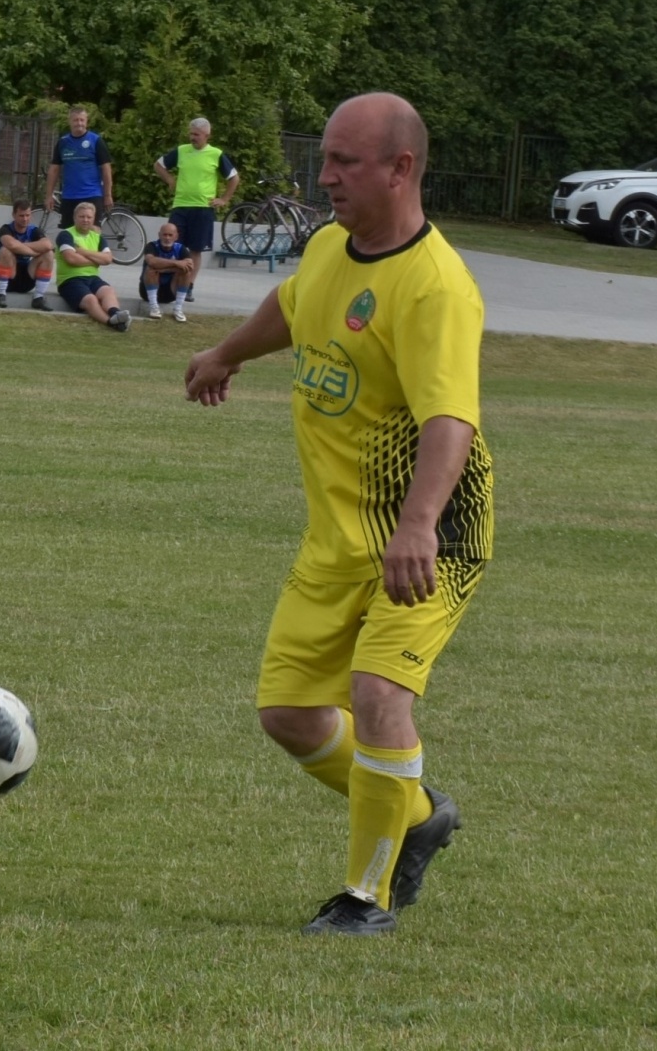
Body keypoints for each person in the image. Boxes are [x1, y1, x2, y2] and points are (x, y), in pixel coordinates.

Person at [184, 93, 493, 936]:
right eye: (325, 158)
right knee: (288, 714)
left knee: (377, 694)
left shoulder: (436, 288)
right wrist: (225, 353)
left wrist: (420, 522)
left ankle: (368, 897)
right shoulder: (328, 247)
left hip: (431, 530)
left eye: (344, 163)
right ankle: (419, 810)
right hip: (337, 536)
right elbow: (295, 306)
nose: (324, 177)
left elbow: (449, 422)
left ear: (400, 169)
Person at [154, 117, 239, 303]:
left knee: (195, 249)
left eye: (196, 135)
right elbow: (159, 165)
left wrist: (224, 199)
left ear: (207, 135)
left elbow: (234, 178)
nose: (193, 137)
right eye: (191, 133)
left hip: (203, 209)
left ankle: (188, 286)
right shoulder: (181, 151)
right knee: (173, 246)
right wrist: (169, 180)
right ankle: (166, 284)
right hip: (181, 206)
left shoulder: (216, 154)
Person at [56, 201, 130, 331]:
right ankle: (111, 322)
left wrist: (83, 252)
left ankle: (116, 314)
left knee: (108, 291)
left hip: (92, 278)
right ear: (75, 218)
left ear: (93, 219)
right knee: (90, 299)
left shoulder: (98, 238)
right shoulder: (65, 235)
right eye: (82, 216)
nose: (85, 220)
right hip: (70, 280)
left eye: (89, 217)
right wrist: (96, 260)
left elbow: (108, 259)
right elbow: (71, 259)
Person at [44, 105, 113, 230]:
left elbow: (106, 169)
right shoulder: (63, 142)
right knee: (69, 233)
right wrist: (49, 195)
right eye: (76, 120)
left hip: (92, 194)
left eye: (82, 120)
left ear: (86, 121)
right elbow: (54, 169)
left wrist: (107, 195)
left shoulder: (96, 141)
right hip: (69, 196)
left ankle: (92, 251)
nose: (79, 123)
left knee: (93, 232)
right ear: (70, 121)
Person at [0, 199, 56, 310]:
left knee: (48, 254)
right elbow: (11, 245)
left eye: (28, 215)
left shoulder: (34, 230)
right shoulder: (5, 229)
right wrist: (34, 252)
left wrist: (21, 246)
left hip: (26, 279)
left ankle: (38, 298)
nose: (25, 219)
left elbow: (48, 245)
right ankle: (0, 294)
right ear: (14, 215)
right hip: (7, 276)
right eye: (21, 215)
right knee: (5, 250)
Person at [138, 222, 195, 321]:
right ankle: (154, 308)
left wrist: (161, 268)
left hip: (170, 292)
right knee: (151, 269)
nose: (167, 238)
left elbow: (190, 265)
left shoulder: (181, 248)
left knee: (186, 272)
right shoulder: (151, 246)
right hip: (147, 292)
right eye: (164, 234)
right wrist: (177, 264)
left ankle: (178, 309)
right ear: (159, 235)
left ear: (176, 236)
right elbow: (151, 261)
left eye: (170, 235)